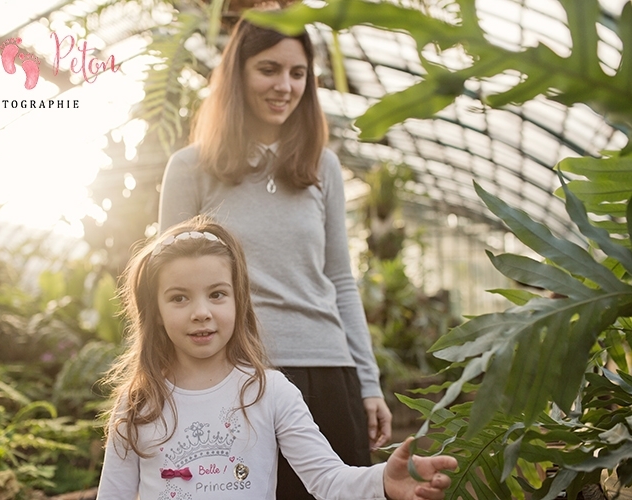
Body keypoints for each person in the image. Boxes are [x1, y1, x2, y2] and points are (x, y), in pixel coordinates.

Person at [158, 12, 392, 498]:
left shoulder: (321, 166)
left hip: (330, 373)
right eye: (269, 69)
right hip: (237, 377)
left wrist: (368, 384)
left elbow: (340, 280)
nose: (285, 85)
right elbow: (167, 290)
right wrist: (165, 385)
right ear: (237, 73)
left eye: (298, 73)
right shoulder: (189, 169)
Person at [97, 217, 457, 500]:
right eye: (179, 298)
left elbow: (328, 480)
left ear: (239, 300)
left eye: (217, 294)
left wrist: (383, 479)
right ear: (155, 311)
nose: (201, 312)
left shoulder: (270, 392)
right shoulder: (138, 402)